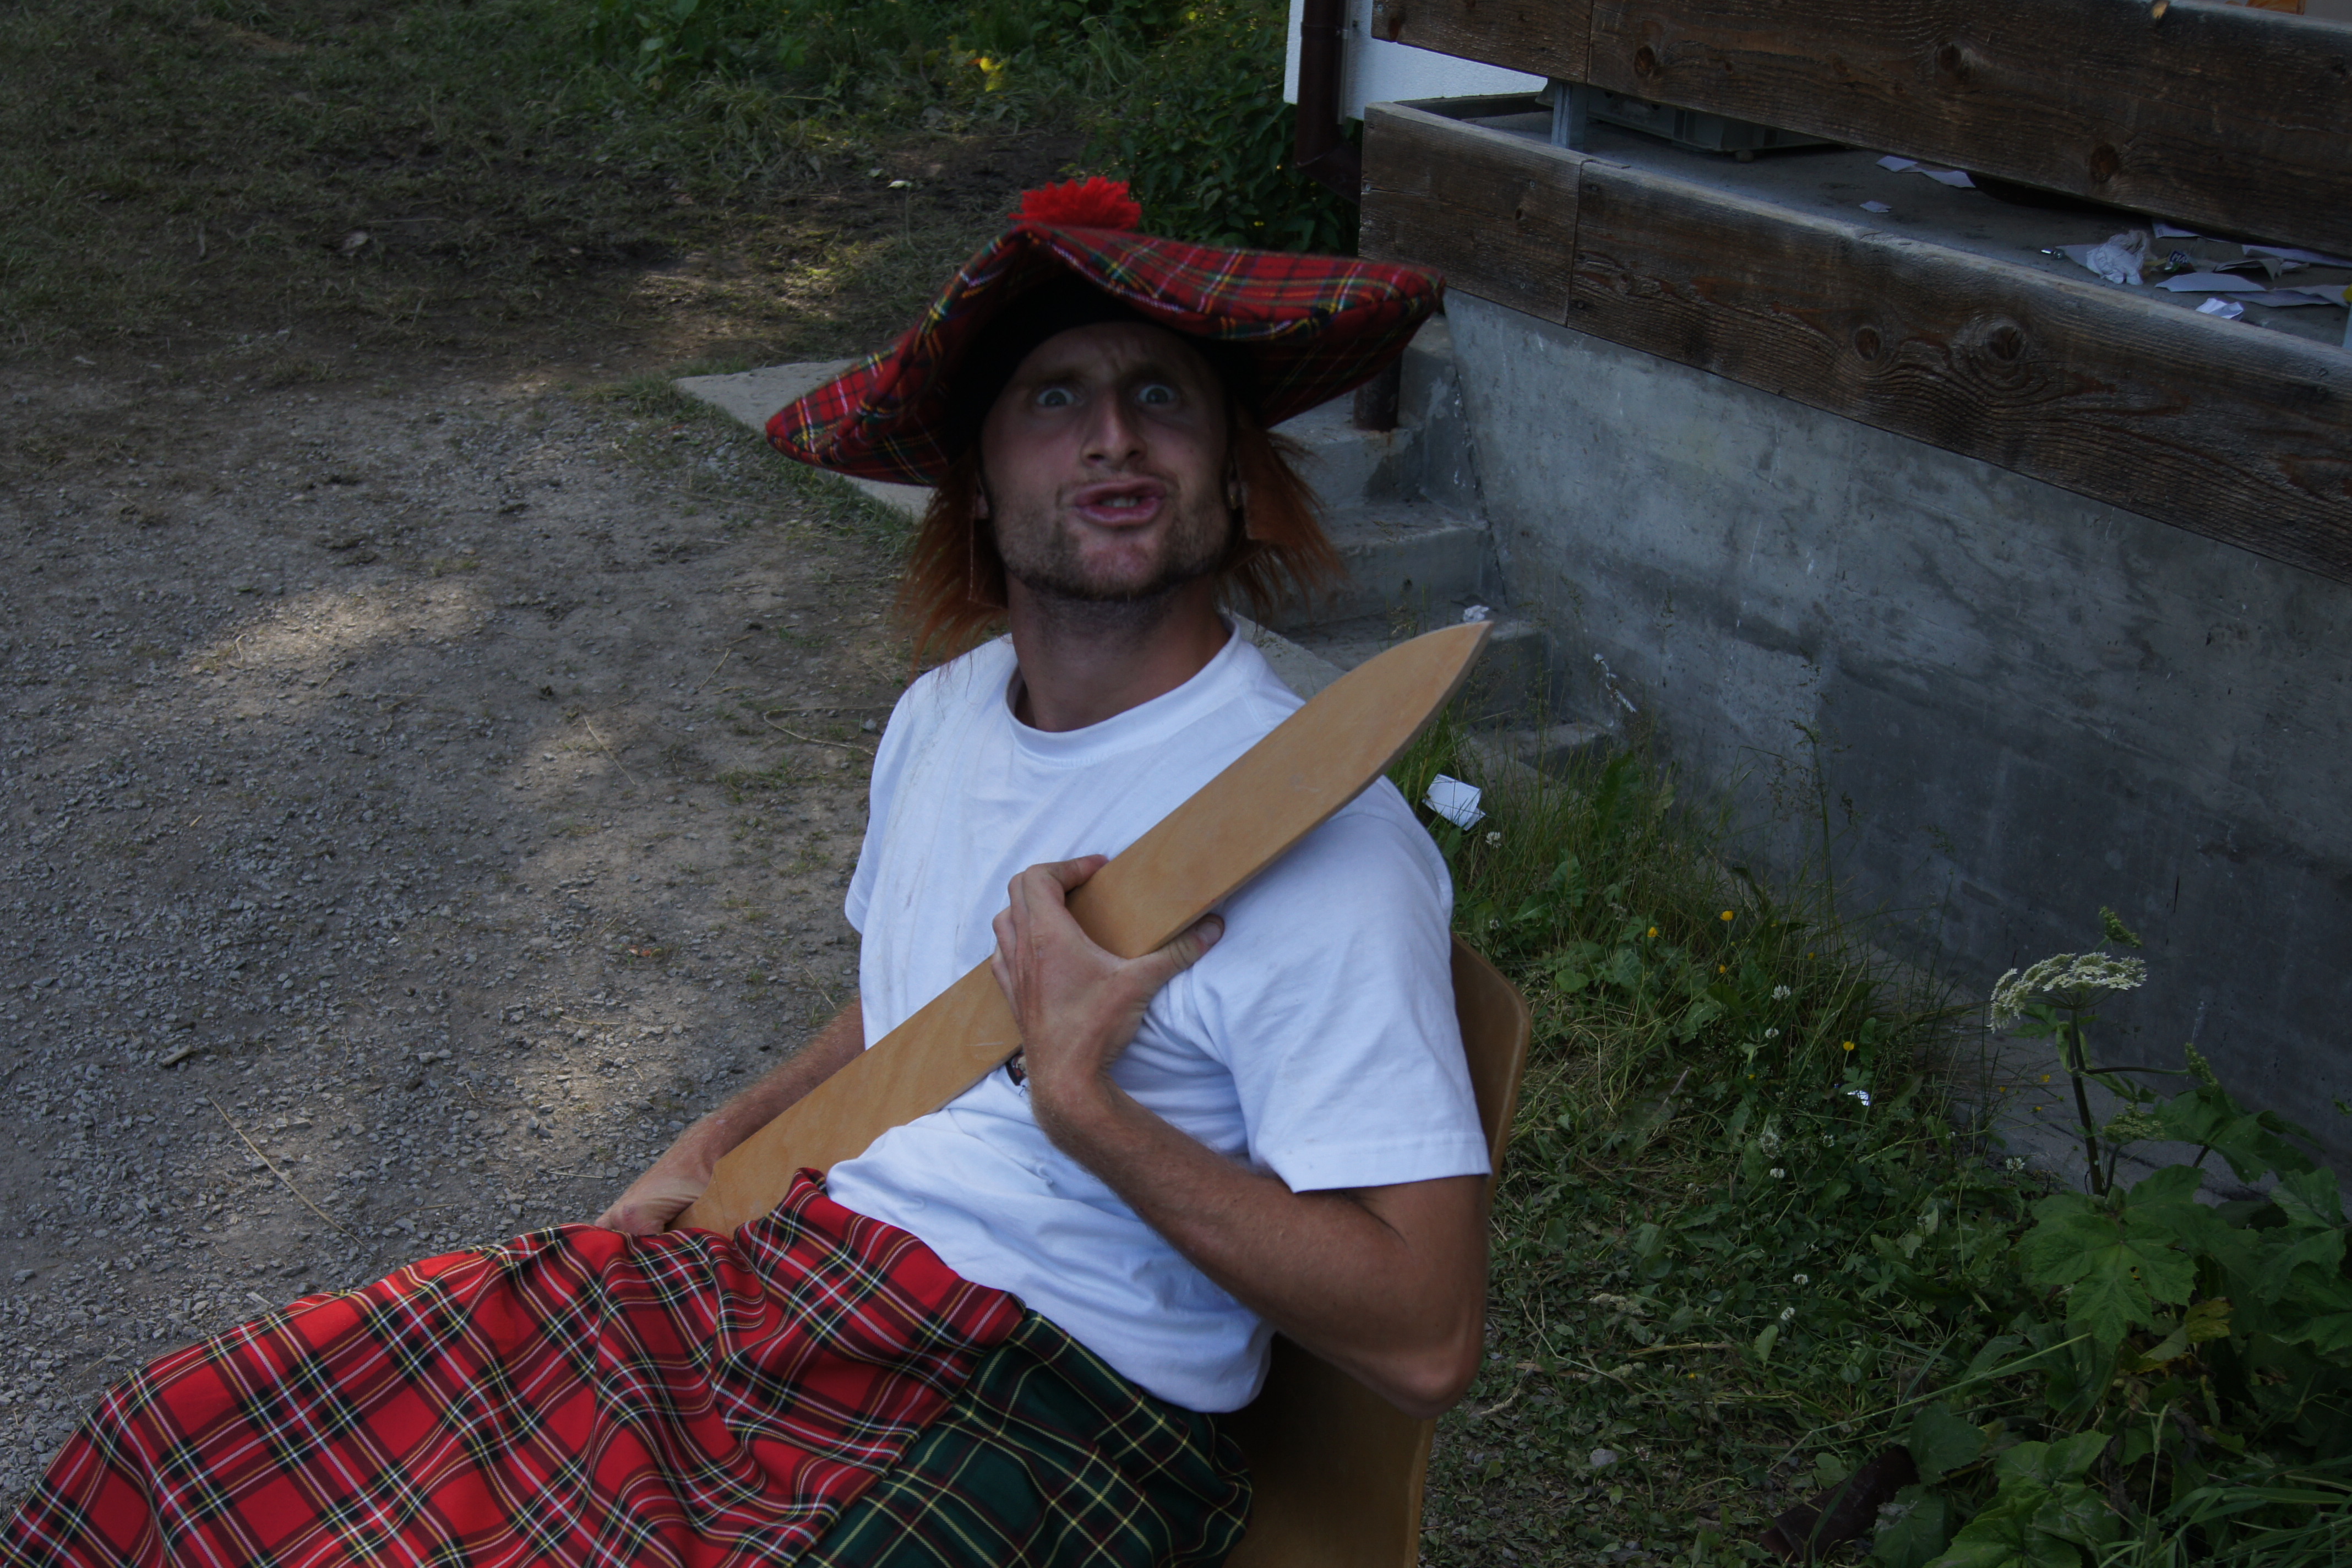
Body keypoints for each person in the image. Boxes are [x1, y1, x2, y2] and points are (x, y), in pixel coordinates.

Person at [0, 178, 1486, 1568]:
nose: (1112, 436)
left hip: (1055, 1398)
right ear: (976, 487)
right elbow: (905, 1019)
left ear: (1235, 482)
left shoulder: (1323, 838)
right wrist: (708, 1151)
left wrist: (1086, 1103)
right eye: (1055, 398)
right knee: (179, 1442)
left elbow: (1424, 1337)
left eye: (1163, 395)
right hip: (789, 1281)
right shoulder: (946, 718)